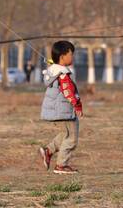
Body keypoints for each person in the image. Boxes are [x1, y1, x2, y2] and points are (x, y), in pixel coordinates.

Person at [39, 41, 83, 175]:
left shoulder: (53, 71)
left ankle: (48, 150)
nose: (72, 57)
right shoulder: (62, 73)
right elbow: (68, 91)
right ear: (63, 56)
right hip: (64, 111)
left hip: (57, 110)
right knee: (72, 138)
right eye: (71, 54)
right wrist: (77, 105)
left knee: (65, 134)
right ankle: (61, 165)